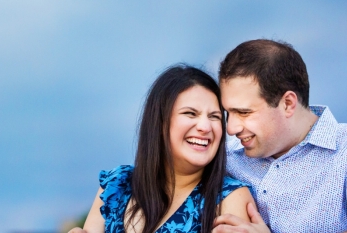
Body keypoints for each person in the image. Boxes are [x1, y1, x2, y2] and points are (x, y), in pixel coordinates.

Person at [213, 39, 347, 233]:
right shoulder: (223, 155)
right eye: (227, 113)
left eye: (244, 112)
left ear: (288, 103)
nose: (230, 128)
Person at [70, 65, 255, 233]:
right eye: (190, 113)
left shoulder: (228, 198)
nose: (205, 127)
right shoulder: (115, 186)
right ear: (159, 123)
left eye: (214, 117)